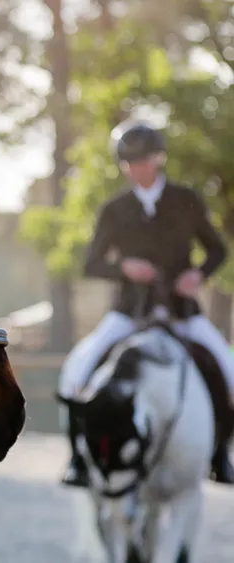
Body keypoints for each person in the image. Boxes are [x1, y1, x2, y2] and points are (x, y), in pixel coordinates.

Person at [58, 120, 234, 487]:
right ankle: (77, 457)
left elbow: (217, 249)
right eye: (129, 162)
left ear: (159, 158)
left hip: (180, 310)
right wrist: (124, 266)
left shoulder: (186, 199)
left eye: (143, 160)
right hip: (130, 312)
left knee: (228, 367)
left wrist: (198, 275)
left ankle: (220, 455)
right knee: (78, 368)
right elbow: (91, 262)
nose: (137, 169)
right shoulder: (114, 209)